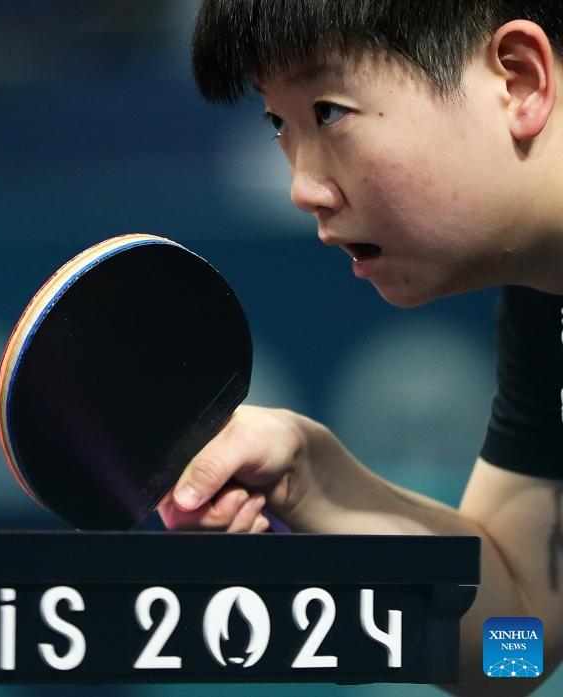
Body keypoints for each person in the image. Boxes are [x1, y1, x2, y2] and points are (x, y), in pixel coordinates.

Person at [156, 2, 563, 695]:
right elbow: (518, 643)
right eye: (279, 124)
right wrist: (314, 482)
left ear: (520, 81)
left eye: (330, 112)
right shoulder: (545, 307)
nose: (301, 187)